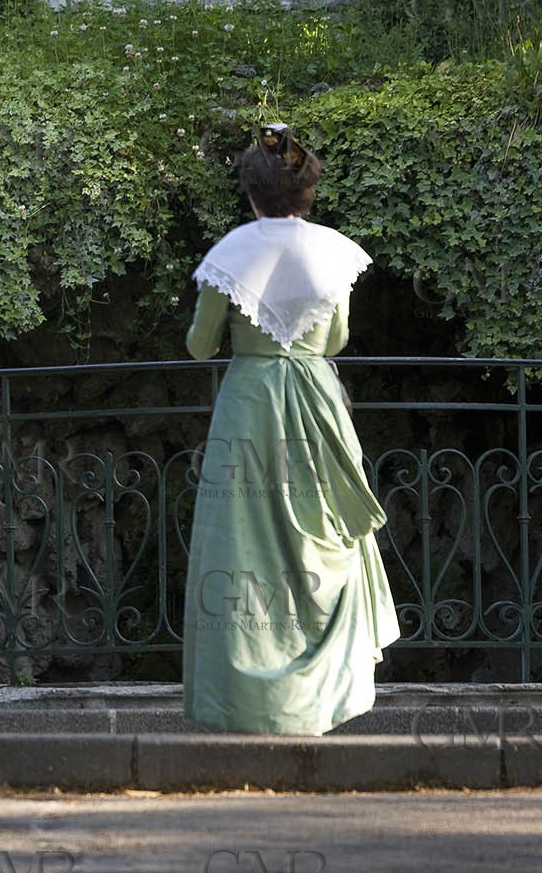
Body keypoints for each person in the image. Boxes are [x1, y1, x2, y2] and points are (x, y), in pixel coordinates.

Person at [181, 124, 399, 735]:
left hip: (249, 402)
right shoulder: (335, 251)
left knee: (243, 550)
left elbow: (201, 347)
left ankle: (244, 700)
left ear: (251, 192)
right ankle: (324, 692)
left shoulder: (230, 253)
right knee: (322, 536)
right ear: (307, 191)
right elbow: (336, 340)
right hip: (315, 398)